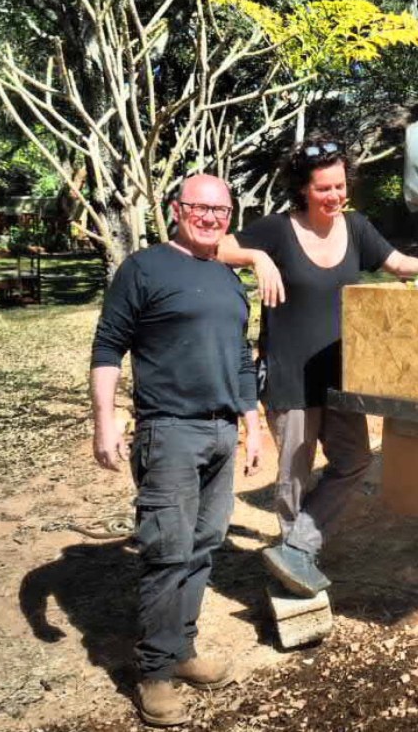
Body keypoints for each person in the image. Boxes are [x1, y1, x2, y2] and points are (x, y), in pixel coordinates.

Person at [217, 137, 418, 598]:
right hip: (290, 374)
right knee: (292, 476)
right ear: (304, 190)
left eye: (339, 186)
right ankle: (295, 569)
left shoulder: (355, 226)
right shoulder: (276, 230)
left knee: (354, 460)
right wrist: (256, 256)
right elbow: (218, 247)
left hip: (342, 374)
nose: (335, 196)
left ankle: (297, 548)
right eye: (324, 188)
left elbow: (393, 262)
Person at [91, 175, 262, 727]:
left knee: (203, 545)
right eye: (200, 207)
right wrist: (104, 421)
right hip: (169, 431)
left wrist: (252, 426)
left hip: (220, 432)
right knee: (167, 551)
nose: (211, 217)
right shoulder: (144, 268)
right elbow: (108, 345)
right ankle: (156, 674)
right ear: (176, 209)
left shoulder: (226, 276)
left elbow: (240, 358)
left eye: (222, 209)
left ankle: (183, 652)